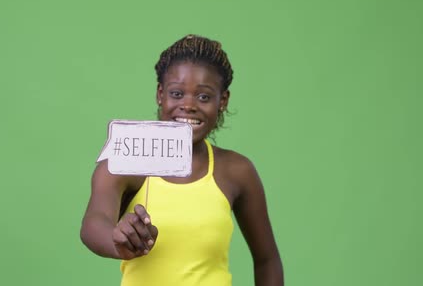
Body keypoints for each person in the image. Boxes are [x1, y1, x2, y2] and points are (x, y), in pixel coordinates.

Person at [80, 35, 283, 286]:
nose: (188, 105)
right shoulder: (126, 159)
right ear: (160, 94)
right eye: (177, 93)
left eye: (204, 97)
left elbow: (267, 260)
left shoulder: (236, 171)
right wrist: (117, 239)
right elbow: (94, 222)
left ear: (223, 101)